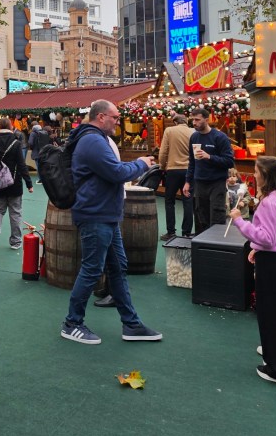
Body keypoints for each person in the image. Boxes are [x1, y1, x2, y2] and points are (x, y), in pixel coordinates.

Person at [60, 99, 162, 345]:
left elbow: (113, 170)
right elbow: (116, 173)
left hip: (104, 213)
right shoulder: (93, 141)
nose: (118, 121)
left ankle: (131, 324)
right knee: (92, 268)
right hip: (96, 214)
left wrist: (133, 166)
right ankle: (72, 323)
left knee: (117, 267)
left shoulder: (94, 139)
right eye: (115, 117)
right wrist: (141, 164)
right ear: (101, 117)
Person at [229, 156, 276, 386]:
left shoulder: (270, 202)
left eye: (257, 172)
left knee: (271, 314)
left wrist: (241, 222)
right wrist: (257, 248)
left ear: (266, 176)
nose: (255, 175)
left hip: (273, 262)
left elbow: (268, 237)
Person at [0, 117, 34, 250]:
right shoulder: (16, 143)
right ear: (11, 127)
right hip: (14, 183)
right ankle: (15, 241)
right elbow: (22, 165)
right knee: (15, 212)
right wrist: (29, 183)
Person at [183, 107, 234, 234]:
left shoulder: (220, 137)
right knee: (201, 218)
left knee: (217, 217)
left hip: (217, 183)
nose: (194, 123)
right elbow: (192, 162)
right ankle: (202, 248)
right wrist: (187, 181)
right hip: (199, 183)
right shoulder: (194, 137)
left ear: (206, 120)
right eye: (192, 120)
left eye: (197, 120)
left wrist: (209, 157)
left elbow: (229, 161)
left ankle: (216, 248)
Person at [158, 113, 194, 240]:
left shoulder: (169, 131)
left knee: (169, 201)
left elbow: (163, 151)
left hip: (173, 170)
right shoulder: (193, 131)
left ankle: (171, 232)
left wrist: (162, 166)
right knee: (188, 201)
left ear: (175, 122)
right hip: (189, 171)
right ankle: (187, 232)